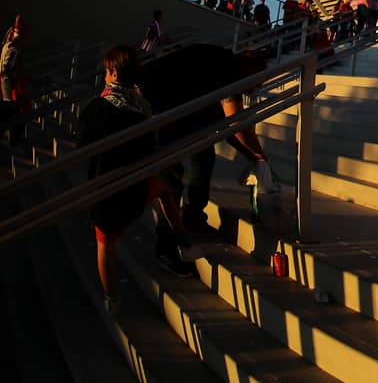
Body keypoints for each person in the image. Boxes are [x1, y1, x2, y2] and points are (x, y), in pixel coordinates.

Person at [78, 45, 195, 311]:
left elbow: (82, 146)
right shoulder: (142, 108)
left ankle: (111, 297)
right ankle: (181, 235)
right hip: (133, 191)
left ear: (114, 73)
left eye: (107, 71)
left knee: (105, 245)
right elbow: (149, 149)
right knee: (165, 188)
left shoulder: (95, 108)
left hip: (103, 192)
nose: (105, 75)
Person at [139, 44, 272, 269]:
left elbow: (228, 129)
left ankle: (192, 216)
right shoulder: (229, 70)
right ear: (251, 72)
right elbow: (237, 122)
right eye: (256, 83)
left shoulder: (219, 65)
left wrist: (252, 155)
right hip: (161, 103)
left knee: (203, 153)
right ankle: (167, 248)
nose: (253, 90)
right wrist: (259, 156)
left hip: (179, 101)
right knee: (171, 177)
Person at [1, 15, 28, 145]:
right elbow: (6, 69)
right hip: (8, 86)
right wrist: (17, 77)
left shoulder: (7, 45)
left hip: (4, 85)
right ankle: (12, 139)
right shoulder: (13, 50)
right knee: (12, 112)